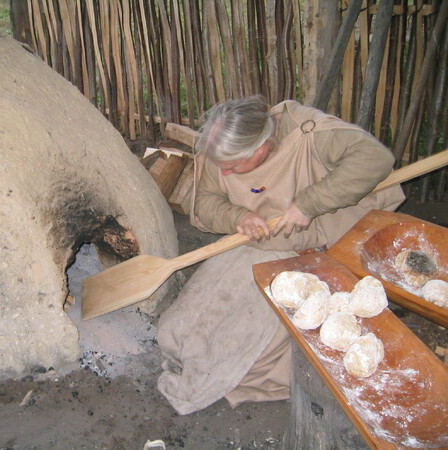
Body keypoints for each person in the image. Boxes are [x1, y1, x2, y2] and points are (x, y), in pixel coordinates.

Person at [156, 96, 405, 415]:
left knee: (249, 354)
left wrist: (309, 204)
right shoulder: (222, 153)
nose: (226, 174)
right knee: (182, 326)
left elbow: (374, 159)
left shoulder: (310, 133)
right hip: (255, 246)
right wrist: (236, 217)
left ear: (260, 147)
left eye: (234, 166)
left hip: (320, 250)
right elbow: (205, 199)